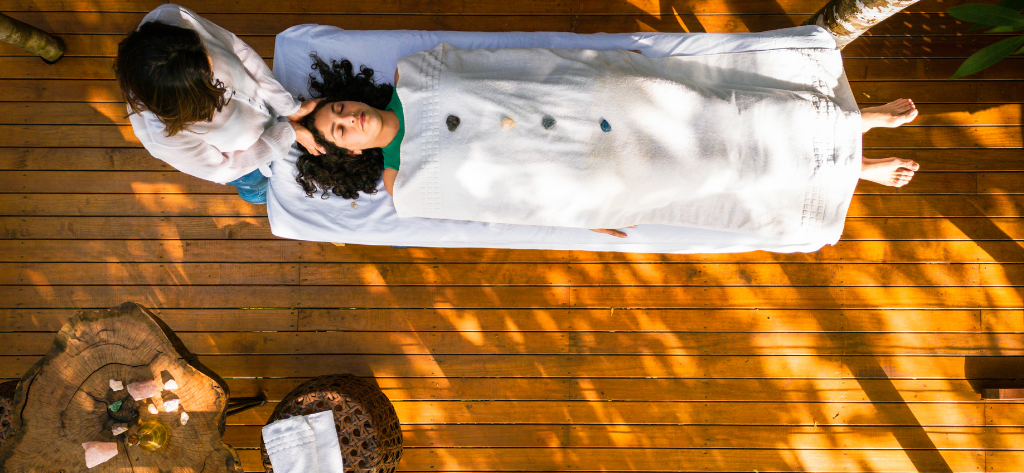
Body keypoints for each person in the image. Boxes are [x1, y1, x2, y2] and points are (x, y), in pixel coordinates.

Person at [294, 43, 918, 241]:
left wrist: (595, 65)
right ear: (346, 153)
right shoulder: (404, 187)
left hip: (592, 99)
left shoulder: (413, 74)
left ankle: (854, 125)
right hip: (586, 173)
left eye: (341, 109)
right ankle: (854, 167)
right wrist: (582, 219)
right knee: (722, 166)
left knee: (724, 114)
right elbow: (495, 209)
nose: (350, 120)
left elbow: (503, 63)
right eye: (339, 130)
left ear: (353, 97)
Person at [115, 4, 324, 205]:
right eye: (207, 76)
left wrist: (288, 107)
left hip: (269, 117)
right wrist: (287, 133)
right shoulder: (166, 139)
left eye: (205, 51)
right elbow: (226, 169)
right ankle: (257, 195)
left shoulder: (173, 19)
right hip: (246, 166)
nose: (213, 63)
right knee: (258, 187)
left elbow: (238, 49)